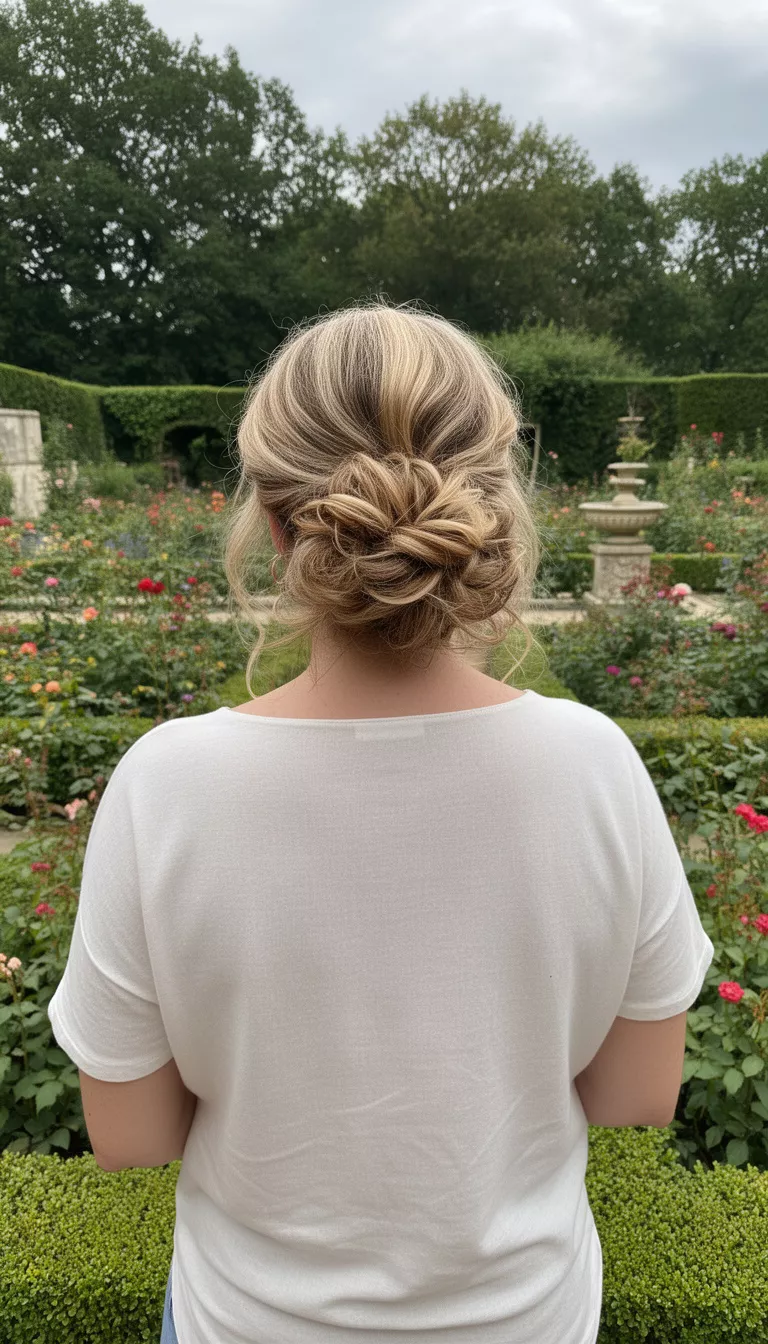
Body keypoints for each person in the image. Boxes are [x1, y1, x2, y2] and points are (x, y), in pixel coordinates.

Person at [48, 301, 714, 1344]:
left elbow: (133, 1139)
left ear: (274, 524)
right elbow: (636, 1098)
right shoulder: (595, 767)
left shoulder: (165, 787)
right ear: (493, 506)